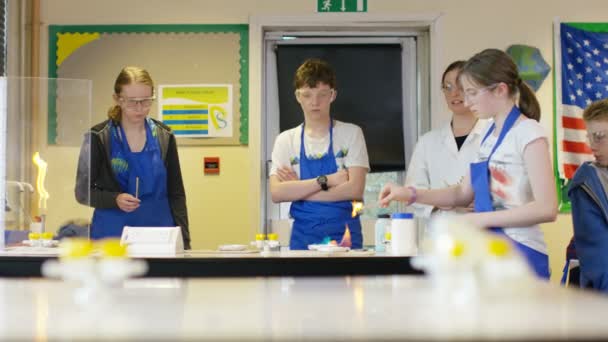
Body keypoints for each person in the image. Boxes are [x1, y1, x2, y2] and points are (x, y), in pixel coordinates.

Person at [378, 49, 557, 278]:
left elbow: (547, 207)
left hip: (521, 251)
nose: (466, 99)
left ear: (500, 89)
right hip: (489, 249)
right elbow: (460, 195)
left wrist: (478, 219)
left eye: (472, 92)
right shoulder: (489, 135)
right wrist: (408, 193)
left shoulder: (528, 132)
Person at [75, 66, 191, 249]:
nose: (139, 109)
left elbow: (176, 194)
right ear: (117, 99)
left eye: (146, 101)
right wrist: (114, 199)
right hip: (112, 236)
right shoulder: (98, 137)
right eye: (132, 102)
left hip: (159, 235)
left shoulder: (164, 136)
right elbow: (82, 192)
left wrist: (184, 241)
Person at [269, 58, 370, 250]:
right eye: (307, 95)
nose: (314, 102)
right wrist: (327, 180)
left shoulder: (351, 133)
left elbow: (355, 190)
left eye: (322, 94)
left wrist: (299, 190)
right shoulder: (286, 140)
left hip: (346, 240)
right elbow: (276, 193)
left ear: (332, 95)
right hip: (303, 241)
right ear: (298, 96)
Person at [406, 60, 488, 217]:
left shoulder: (492, 134)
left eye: (460, 86)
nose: (454, 93)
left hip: (483, 233)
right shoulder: (427, 142)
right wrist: (448, 204)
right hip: (441, 233)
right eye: (448, 87)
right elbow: (413, 193)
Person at [567, 98, 608, 292]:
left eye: (598, 136)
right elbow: (600, 258)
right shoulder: (586, 183)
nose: (592, 145)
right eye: (589, 137)